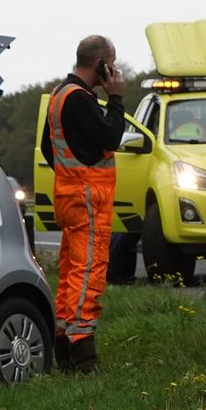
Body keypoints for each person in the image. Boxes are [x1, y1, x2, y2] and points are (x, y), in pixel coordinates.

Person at [40, 34, 125, 372]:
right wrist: (116, 98)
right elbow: (110, 137)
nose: (115, 71)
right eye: (112, 64)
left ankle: (63, 339)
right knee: (88, 272)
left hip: (69, 194)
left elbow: (51, 149)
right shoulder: (80, 99)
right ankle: (81, 352)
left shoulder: (60, 95)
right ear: (101, 64)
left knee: (71, 272)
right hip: (89, 198)